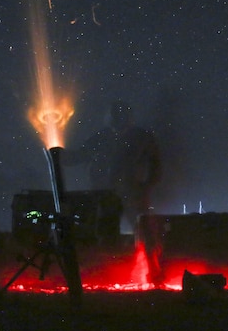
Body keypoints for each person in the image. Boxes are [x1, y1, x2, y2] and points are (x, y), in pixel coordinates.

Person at [63, 100, 164, 284]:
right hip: (106, 193)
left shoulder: (141, 137)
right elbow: (80, 156)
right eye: (115, 114)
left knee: (144, 231)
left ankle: (154, 273)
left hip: (132, 192)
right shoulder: (102, 137)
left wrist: (146, 184)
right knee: (106, 233)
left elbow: (155, 164)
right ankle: (110, 274)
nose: (118, 118)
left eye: (121, 114)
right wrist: (58, 154)